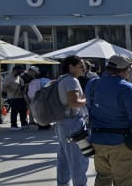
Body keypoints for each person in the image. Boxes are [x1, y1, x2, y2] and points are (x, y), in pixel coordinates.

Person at [86, 54, 132, 186]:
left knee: (102, 179)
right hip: (121, 143)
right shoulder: (127, 88)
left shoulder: (93, 84)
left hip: (97, 140)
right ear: (126, 70)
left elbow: (89, 108)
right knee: (124, 181)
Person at [53, 56, 90, 186]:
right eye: (80, 65)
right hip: (73, 123)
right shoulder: (71, 80)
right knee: (78, 159)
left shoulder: (61, 79)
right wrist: (87, 99)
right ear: (71, 67)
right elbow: (74, 103)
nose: (83, 68)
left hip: (62, 122)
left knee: (63, 158)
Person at [3, 65, 28, 130]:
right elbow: (5, 87)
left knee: (23, 111)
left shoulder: (19, 77)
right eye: (19, 71)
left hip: (21, 97)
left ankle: (24, 123)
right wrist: (13, 90)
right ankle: (13, 125)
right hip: (13, 97)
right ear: (14, 70)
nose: (20, 72)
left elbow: (23, 86)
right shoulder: (8, 77)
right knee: (14, 111)